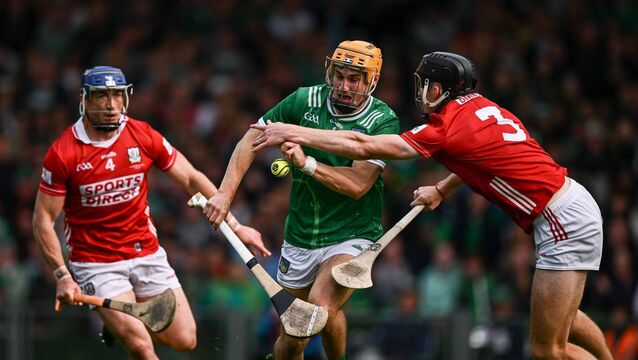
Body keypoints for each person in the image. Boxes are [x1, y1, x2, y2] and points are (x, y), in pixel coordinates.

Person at [251, 52, 613, 359]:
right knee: (567, 318)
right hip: (572, 202)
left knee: (547, 349)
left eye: (424, 84)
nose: (421, 92)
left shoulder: (445, 128)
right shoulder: (483, 106)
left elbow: (362, 145)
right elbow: (480, 160)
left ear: (437, 89)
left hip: (559, 222)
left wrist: (293, 131)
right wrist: (441, 188)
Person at [32, 66, 270, 359]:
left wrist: (236, 224)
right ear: (84, 99)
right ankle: (124, 325)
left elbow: (191, 178)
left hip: (145, 251)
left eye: (117, 96)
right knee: (142, 347)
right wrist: (61, 275)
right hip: (96, 262)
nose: (110, 105)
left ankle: (117, 323)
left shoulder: (141, 134)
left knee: (186, 340)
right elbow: (43, 219)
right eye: (101, 96)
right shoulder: (63, 153)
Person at [203, 40, 400, 360]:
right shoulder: (303, 100)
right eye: (339, 76)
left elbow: (358, 185)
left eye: (354, 79)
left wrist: (306, 163)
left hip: (353, 233)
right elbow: (250, 139)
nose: (344, 86)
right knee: (293, 334)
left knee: (321, 306)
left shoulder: (382, 120)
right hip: (301, 235)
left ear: (371, 81)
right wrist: (225, 194)